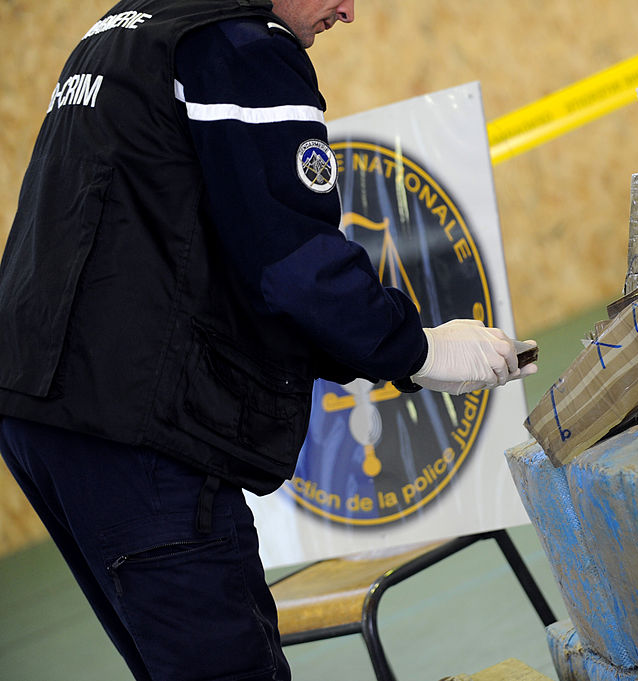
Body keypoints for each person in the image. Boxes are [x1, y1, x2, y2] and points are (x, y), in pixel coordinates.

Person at [0, 0, 536, 678]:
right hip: (137, 427)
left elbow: (206, 255)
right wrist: (420, 350)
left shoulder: (128, 25)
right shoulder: (241, 47)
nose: (348, 10)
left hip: (45, 408)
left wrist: (381, 350)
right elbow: (292, 265)